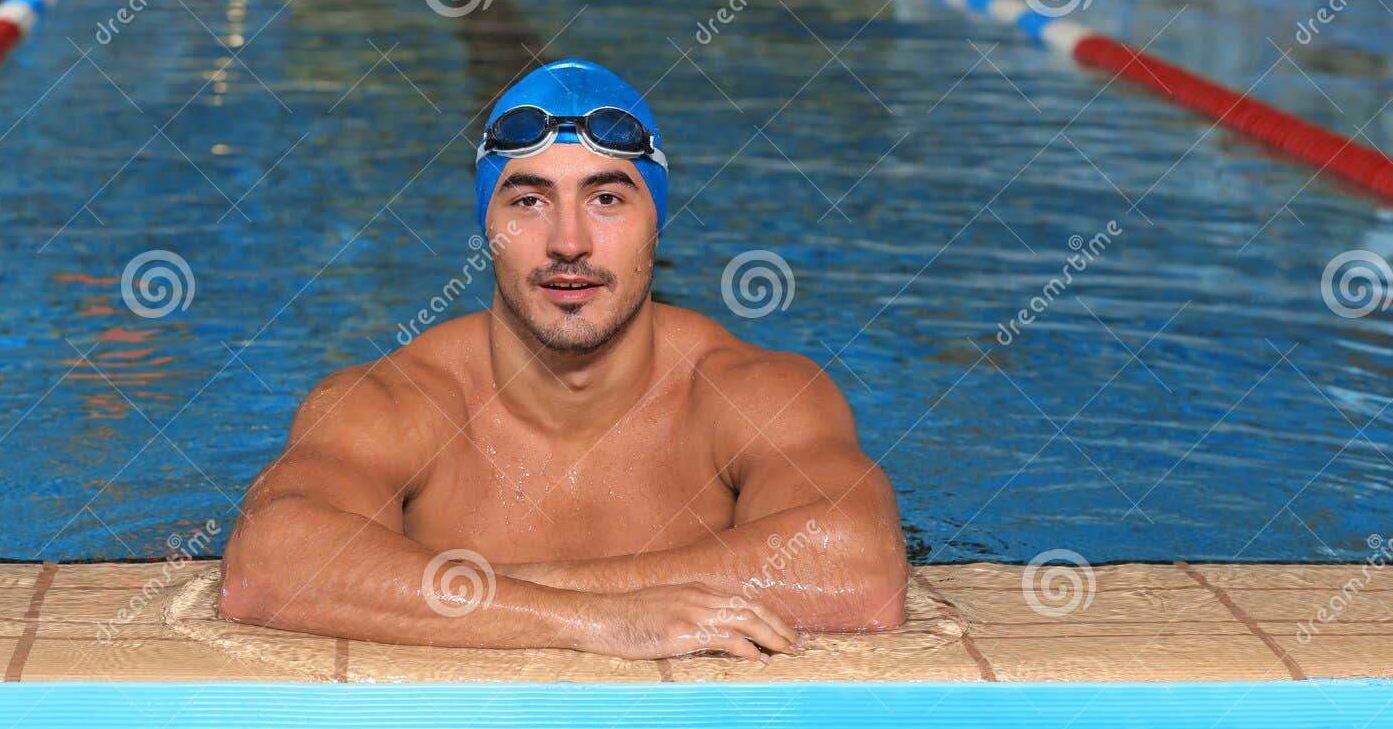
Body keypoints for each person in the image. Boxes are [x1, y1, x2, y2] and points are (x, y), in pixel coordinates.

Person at [219, 58, 906, 661]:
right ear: (487, 224)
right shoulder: (397, 401)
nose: (568, 242)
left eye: (606, 199)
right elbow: (268, 564)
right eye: (529, 200)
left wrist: (470, 592)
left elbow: (861, 567)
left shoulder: (751, 391)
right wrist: (600, 619)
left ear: (655, 222)